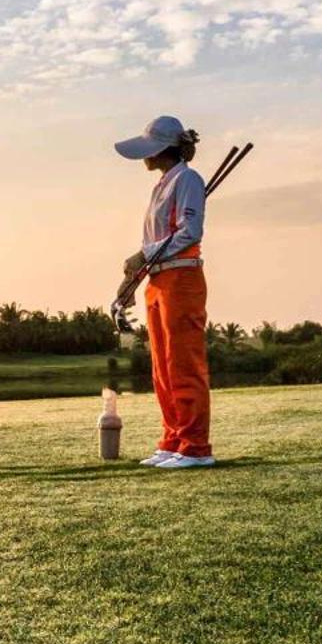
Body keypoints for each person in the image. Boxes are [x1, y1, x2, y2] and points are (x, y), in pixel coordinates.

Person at [115, 115, 214, 469]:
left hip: (181, 280)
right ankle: (174, 439)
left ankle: (195, 446)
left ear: (161, 149)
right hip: (158, 280)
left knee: (183, 364)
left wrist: (145, 253)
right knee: (163, 368)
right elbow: (157, 240)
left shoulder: (187, 179)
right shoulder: (162, 184)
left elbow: (191, 231)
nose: (144, 156)